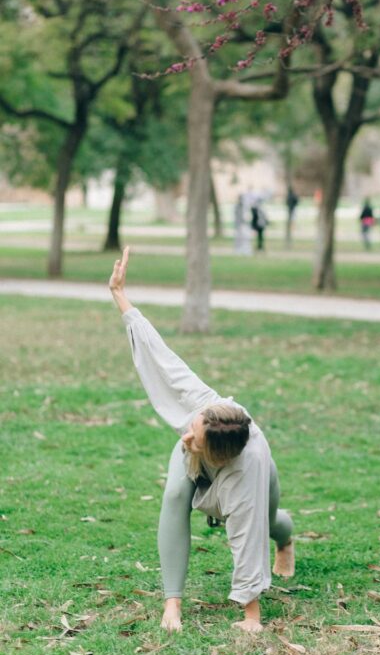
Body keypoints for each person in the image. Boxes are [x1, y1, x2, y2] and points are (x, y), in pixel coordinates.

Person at [109, 247, 294, 634]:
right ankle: (172, 603)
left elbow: (246, 537)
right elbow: (163, 359)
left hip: (252, 486)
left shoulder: (248, 468)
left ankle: (287, 540)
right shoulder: (206, 408)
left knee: (267, 521)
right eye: (192, 427)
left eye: (194, 438)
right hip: (203, 464)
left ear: (219, 455)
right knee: (175, 495)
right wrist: (121, 296)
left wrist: (251, 616)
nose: (185, 436)